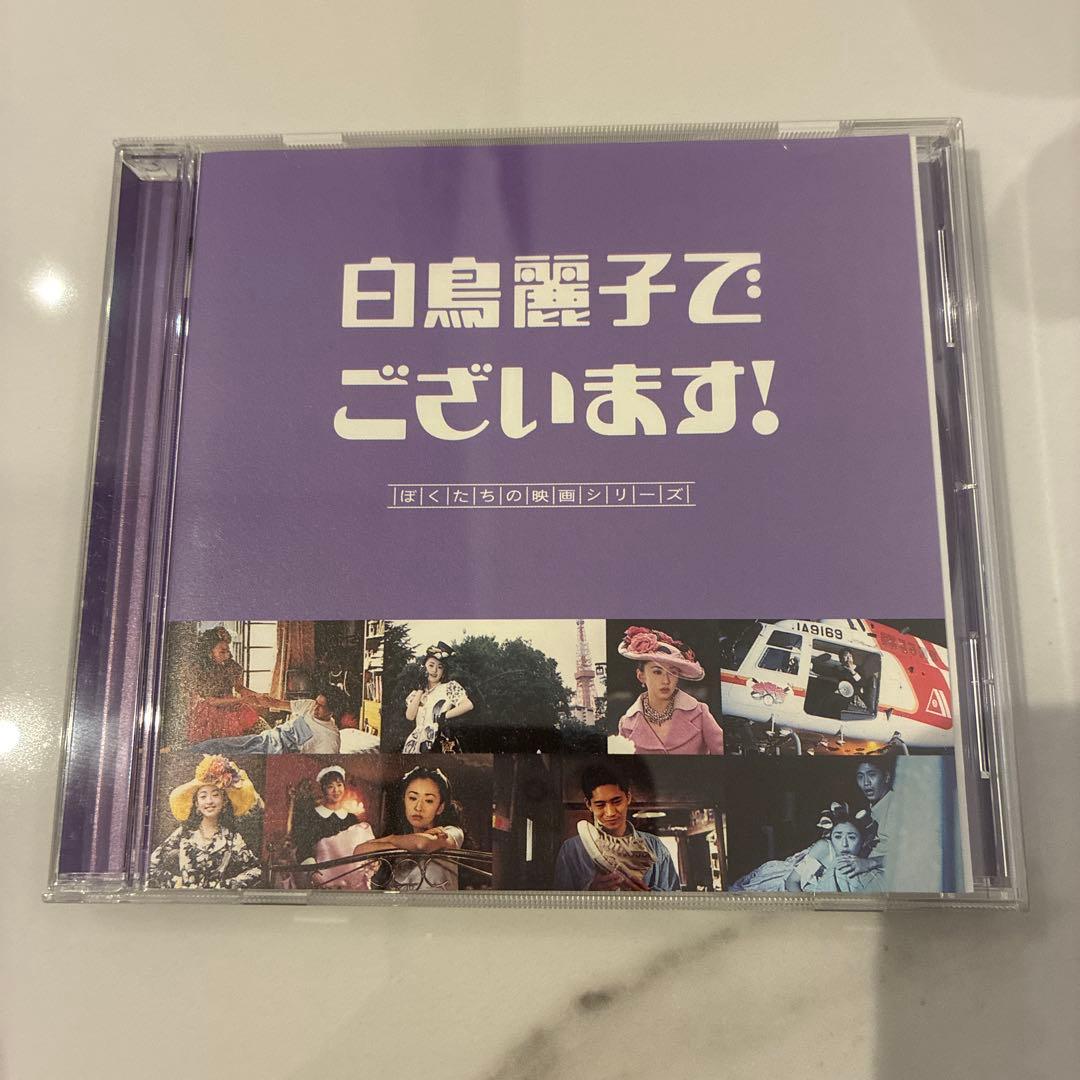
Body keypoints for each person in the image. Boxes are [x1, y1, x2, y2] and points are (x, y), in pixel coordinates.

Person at [554, 764, 681, 892]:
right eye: (600, 805)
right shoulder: (571, 850)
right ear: (589, 805)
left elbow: (676, 897)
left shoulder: (656, 847)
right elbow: (558, 901)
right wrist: (590, 891)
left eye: (617, 801)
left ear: (628, 798)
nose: (610, 813)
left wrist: (649, 897)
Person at [148, 755, 263, 889]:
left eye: (215, 795)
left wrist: (226, 886)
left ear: (224, 801)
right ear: (197, 804)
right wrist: (176, 882)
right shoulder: (184, 833)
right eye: (203, 796)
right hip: (184, 899)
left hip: (216, 900)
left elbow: (256, 871)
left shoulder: (231, 838)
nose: (209, 801)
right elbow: (151, 865)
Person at [350, 766, 467, 891]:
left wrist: (391, 840)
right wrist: (402, 841)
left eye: (428, 801)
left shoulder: (451, 832)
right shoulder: (401, 838)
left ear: (440, 808)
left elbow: (421, 844)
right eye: (412, 798)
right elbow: (359, 850)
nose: (418, 807)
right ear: (404, 801)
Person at [615, 626, 724, 754]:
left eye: (672, 673)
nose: (666, 681)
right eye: (657, 672)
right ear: (641, 676)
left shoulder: (699, 713)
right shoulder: (626, 724)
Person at [728, 801, 875, 894]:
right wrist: (806, 909)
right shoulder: (824, 848)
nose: (844, 844)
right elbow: (791, 881)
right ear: (831, 836)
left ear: (863, 841)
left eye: (852, 837)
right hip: (784, 879)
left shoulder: (864, 855)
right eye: (838, 836)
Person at [289, 765, 376, 890]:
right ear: (323, 789)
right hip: (321, 880)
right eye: (330, 786)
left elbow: (360, 849)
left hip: (349, 881)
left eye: (339, 785)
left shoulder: (352, 819)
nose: (336, 790)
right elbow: (303, 848)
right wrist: (314, 873)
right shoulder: (311, 816)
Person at [191, 687, 349, 756]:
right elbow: (278, 704)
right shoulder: (309, 705)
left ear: (332, 711)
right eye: (316, 702)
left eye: (321, 707)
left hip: (276, 753)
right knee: (215, 745)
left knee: (225, 754)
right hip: (266, 738)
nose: (315, 708)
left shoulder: (330, 738)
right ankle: (184, 753)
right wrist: (260, 699)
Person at [183, 626, 265, 744]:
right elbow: (211, 701)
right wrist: (242, 700)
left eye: (228, 651)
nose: (227, 655)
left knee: (259, 735)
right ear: (209, 652)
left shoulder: (230, 666)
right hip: (211, 712)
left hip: (233, 706)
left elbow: (239, 688)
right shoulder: (201, 670)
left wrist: (258, 695)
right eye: (222, 652)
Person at [402, 643, 474, 753]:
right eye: (431, 665)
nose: (435, 670)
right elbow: (410, 716)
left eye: (440, 667)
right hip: (415, 743)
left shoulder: (449, 687)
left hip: (440, 740)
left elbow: (468, 705)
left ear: (443, 672)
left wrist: (445, 715)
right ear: (424, 668)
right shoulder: (416, 693)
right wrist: (420, 689)